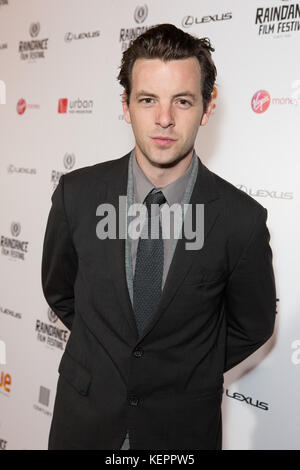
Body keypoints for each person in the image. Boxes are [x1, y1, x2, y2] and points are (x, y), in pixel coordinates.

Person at [41, 23, 276, 450]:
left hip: (182, 432)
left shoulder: (241, 220)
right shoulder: (76, 195)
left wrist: (187, 368)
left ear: (206, 108)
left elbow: (253, 325)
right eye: (148, 99)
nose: (164, 119)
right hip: (84, 423)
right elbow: (60, 292)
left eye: (182, 101)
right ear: (127, 106)